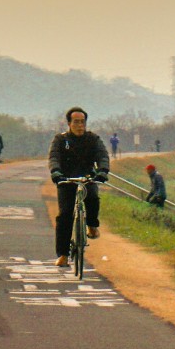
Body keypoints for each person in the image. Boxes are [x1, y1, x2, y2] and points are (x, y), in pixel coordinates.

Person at [47, 106, 110, 263]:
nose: (80, 125)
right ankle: (63, 255)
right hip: (66, 180)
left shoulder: (93, 139)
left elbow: (102, 155)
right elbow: (54, 157)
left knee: (93, 198)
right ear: (69, 123)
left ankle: (92, 226)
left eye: (82, 122)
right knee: (65, 216)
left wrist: (103, 171)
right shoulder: (60, 140)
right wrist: (56, 172)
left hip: (87, 178)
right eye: (76, 122)